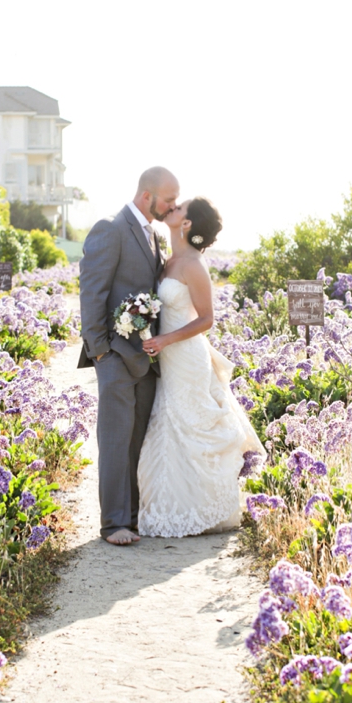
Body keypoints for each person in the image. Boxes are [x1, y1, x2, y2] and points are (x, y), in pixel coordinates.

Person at [138, 197, 264, 537]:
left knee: (191, 422)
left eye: (179, 208)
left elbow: (207, 320)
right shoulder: (168, 257)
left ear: (188, 224)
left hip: (186, 354)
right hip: (168, 353)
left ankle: (204, 509)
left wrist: (165, 340)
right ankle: (170, 507)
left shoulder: (193, 264)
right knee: (169, 423)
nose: (173, 208)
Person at [78, 167, 179, 545]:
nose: (173, 206)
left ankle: (133, 518)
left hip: (146, 358)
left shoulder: (153, 235)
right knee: (116, 440)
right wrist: (100, 350)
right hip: (115, 354)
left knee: (137, 439)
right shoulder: (111, 228)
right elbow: (92, 292)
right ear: (146, 196)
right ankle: (113, 524)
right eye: (168, 199)